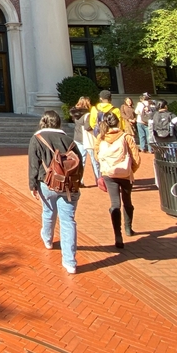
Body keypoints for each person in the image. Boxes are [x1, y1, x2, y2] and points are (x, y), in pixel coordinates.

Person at [28, 110, 84, 274]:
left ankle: (47, 239)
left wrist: (32, 185)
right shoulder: (69, 140)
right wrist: (76, 182)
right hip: (69, 185)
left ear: (43, 122)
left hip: (47, 182)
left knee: (49, 211)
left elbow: (33, 164)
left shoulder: (37, 139)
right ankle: (70, 262)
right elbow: (79, 164)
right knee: (68, 221)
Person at [96, 110, 141, 248]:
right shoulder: (126, 136)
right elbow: (136, 158)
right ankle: (128, 228)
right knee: (127, 202)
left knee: (115, 204)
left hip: (109, 174)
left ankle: (118, 235)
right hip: (125, 173)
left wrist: (106, 168)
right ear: (118, 121)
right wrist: (129, 170)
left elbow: (97, 155)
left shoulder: (101, 137)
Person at [70, 96, 100, 184]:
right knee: (95, 160)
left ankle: (79, 180)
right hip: (88, 139)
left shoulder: (75, 114)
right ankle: (98, 179)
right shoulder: (88, 115)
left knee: (80, 160)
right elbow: (87, 127)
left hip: (77, 138)